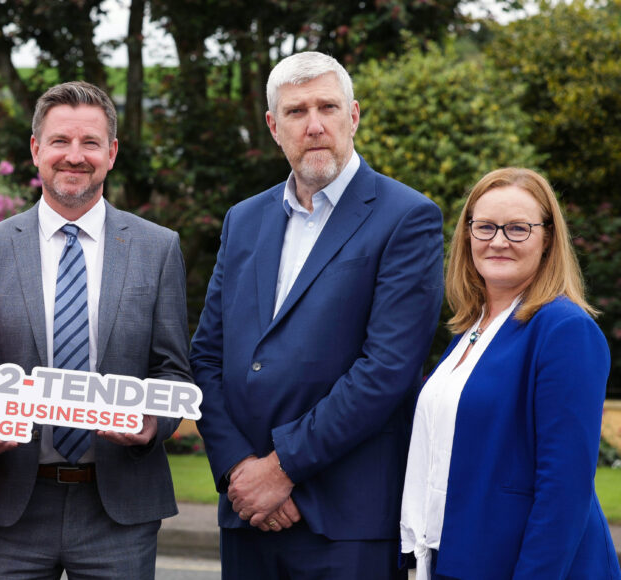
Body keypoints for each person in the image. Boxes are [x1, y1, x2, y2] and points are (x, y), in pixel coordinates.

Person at [188, 51, 444, 579]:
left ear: (353, 115)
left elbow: (387, 369)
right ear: (273, 126)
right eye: (297, 111)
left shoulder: (406, 218)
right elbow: (208, 357)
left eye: (327, 107)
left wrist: (281, 470)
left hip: (345, 519)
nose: (314, 125)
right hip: (248, 516)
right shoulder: (244, 220)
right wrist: (241, 471)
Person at [0, 80, 192, 579]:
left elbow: (173, 370)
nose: (74, 156)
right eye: (60, 141)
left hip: (119, 512)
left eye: (90, 143)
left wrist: (152, 424)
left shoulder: (158, 248)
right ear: (37, 149)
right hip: (11, 509)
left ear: (112, 153)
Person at [399, 168, 620, 579]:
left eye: (518, 228)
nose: (498, 241)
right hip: (454, 559)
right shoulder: (470, 330)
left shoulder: (564, 330)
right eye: (484, 227)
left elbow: (564, 491)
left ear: (548, 238)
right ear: (467, 235)